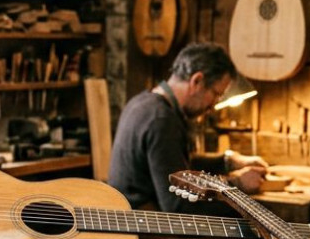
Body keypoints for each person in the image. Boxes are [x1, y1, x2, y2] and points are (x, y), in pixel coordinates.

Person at [108, 42, 267, 212]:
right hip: (143, 230)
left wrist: (228, 161)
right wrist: (237, 185)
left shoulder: (143, 103)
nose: (214, 105)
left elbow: (173, 163)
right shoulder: (161, 120)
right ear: (197, 81)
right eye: (216, 94)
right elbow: (178, 205)